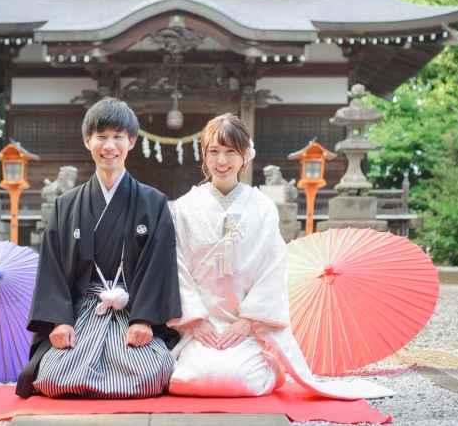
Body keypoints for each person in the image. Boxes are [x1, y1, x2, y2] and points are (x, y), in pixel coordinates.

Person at [167, 114, 394, 399]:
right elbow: (174, 267)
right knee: (191, 380)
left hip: (243, 327)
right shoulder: (184, 208)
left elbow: (272, 269)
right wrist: (194, 320)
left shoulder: (262, 208)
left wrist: (248, 321)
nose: (221, 161)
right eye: (214, 151)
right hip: (200, 326)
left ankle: (270, 365)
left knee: (238, 381)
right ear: (204, 154)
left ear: (245, 155)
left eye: (230, 152)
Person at [16, 97, 181, 399]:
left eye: (118, 137)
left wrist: (144, 320)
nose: (109, 146)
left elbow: (161, 265)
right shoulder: (66, 205)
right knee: (53, 376)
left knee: (151, 374)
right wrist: (60, 320)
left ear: (131, 141)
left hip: (132, 308)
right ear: (87, 140)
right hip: (82, 309)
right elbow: (52, 266)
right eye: (101, 137)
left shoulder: (153, 202)